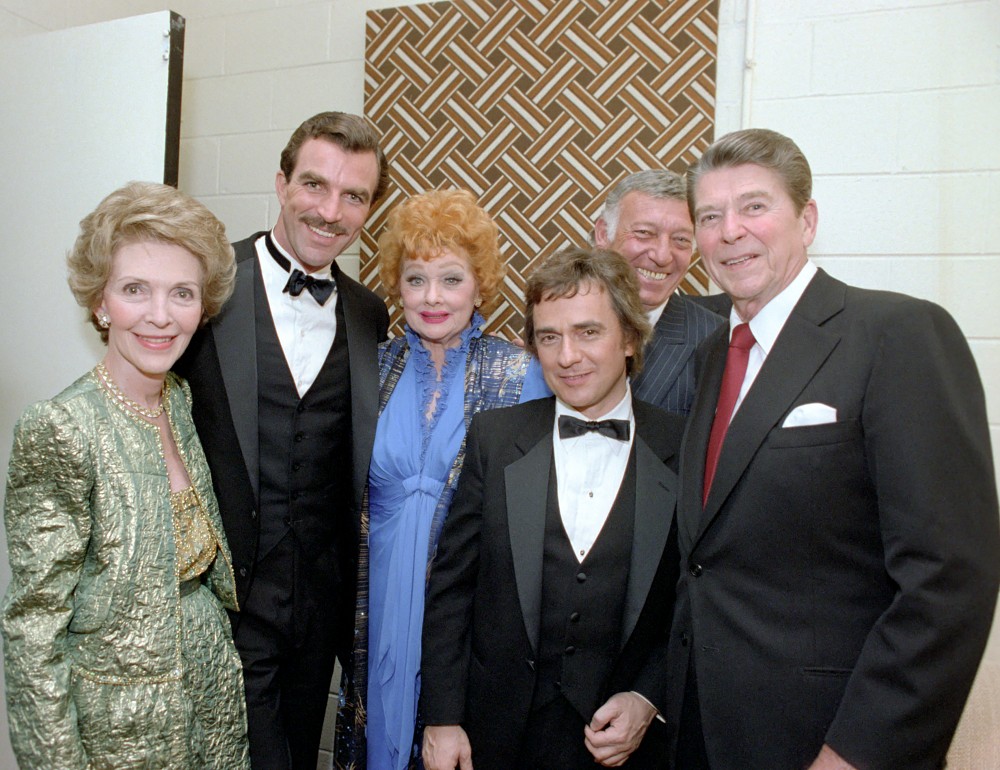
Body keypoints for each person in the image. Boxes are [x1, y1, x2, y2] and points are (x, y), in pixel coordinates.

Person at [667, 128, 1000, 770]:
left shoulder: (895, 334)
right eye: (710, 216)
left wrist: (858, 753)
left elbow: (948, 577)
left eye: (754, 206)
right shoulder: (710, 356)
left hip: (827, 739)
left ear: (807, 218)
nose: (730, 231)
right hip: (703, 732)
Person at [1, 181, 249, 769]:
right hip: (121, 730)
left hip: (210, 699)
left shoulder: (181, 402)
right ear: (100, 302)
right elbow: (34, 627)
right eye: (136, 289)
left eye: (182, 293)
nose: (160, 316)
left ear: (203, 306)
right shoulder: (61, 427)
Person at [174, 111, 390, 769]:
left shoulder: (368, 311)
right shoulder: (207, 287)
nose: (331, 211)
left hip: (320, 611)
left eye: (354, 195)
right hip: (225, 605)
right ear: (281, 183)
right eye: (315, 186)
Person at [420, 246, 686, 770]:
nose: (567, 356)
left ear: (629, 338)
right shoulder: (495, 439)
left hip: (625, 746)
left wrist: (648, 697)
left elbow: (693, 602)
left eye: (588, 332)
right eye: (548, 337)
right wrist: (442, 717)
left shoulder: (685, 447)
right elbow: (452, 588)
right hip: (497, 738)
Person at [335, 189, 549, 770]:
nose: (432, 297)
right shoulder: (368, 370)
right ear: (396, 286)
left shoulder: (521, 375)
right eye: (416, 279)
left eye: (451, 279)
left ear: (480, 286)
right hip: (375, 598)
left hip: (468, 610)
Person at [593, 170, 724, 414]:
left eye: (681, 240)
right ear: (603, 233)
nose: (662, 256)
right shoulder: (556, 326)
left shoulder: (717, 342)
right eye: (644, 233)